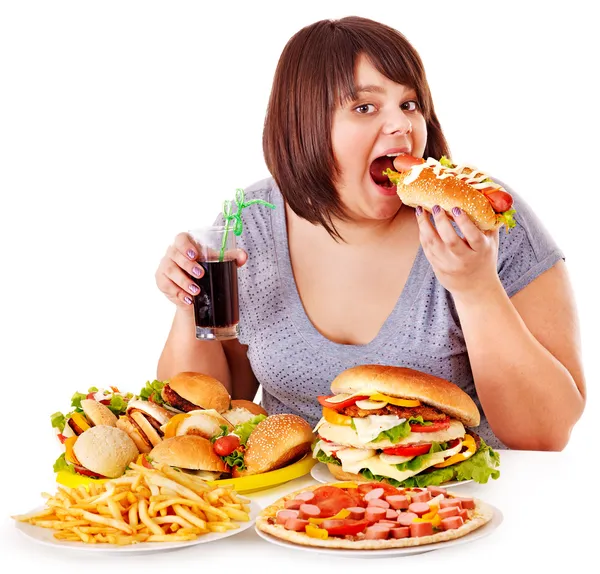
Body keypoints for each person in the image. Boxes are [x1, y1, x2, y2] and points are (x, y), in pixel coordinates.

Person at [154, 16, 585, 451]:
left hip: (456, 507)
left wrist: (476, 289)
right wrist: (191, 298)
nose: (403, 126)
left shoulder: (482, 218)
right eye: (365, 107)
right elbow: (207, 417)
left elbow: (546, 433)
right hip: (294, 512)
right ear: (305, 126)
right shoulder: (252, 221)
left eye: (410, 104)